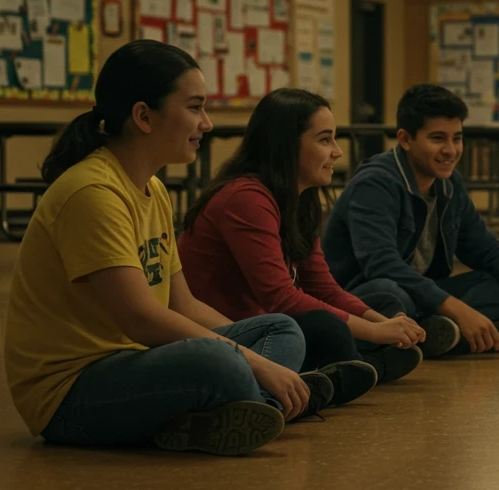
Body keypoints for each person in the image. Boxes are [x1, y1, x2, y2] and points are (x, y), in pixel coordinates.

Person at [4, 40, 320, 456]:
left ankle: (231, 412)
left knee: (280, 328)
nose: (206, 123)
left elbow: (182, 304)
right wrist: (255, 363)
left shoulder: (152, 188)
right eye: (195, 107)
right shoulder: (92, 192)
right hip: (70, 396)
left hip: (136, 364)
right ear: (143, 116)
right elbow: (141, 319)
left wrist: (251, 349)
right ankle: (266, 402)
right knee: (219, 362)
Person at [180, 88, 428, 402]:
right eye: (325, 140)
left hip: (274, 325)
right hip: (240, 335)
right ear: (286, 146)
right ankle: (359, 370)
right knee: (326, 326)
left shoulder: (298, 198)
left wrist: (383, 322)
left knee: (382, 301)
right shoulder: (245, 198)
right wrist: (377, 333)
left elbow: (323, 287)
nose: (337, 152)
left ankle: (353, 371)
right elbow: (281, 299)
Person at [322, 84, 499, 358]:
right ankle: (456, 336)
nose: (450, 150)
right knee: (392, 295)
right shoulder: (375, 183)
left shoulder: (449, 183)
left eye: (457, 138)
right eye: (437, 138)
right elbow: (381, 265)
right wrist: (457, 309)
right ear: (406, 139)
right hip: (361, 299)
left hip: (422, 297)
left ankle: (440, 337)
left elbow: (486, 247)